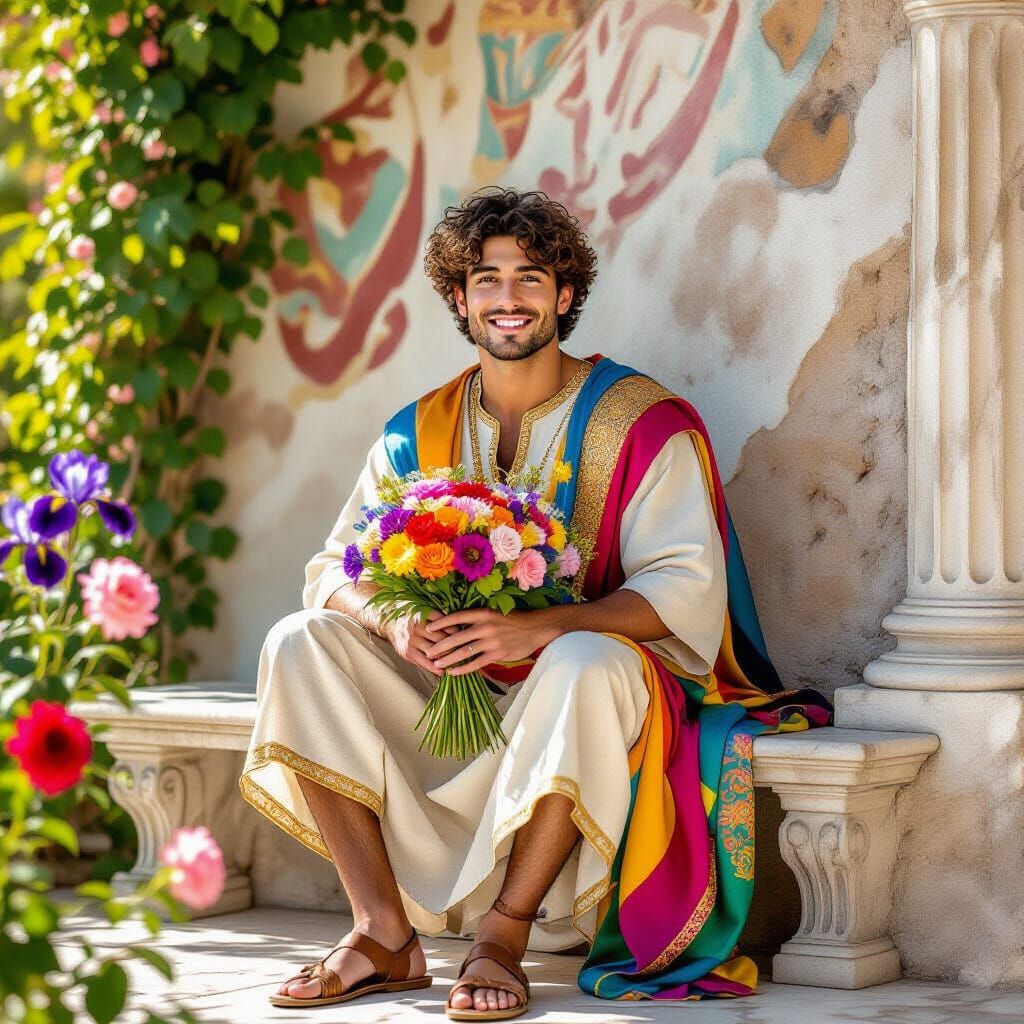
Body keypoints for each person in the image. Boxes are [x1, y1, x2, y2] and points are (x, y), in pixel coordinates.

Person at [239, 187, 831, 1019]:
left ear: (564, 294)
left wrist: (539, 627)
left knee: (582, 660)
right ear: (459, 299)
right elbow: (334, 570)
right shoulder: (416, 432)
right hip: (449, 691)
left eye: (530, 277)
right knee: (298, 640)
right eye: (486, 279)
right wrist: (395, 622)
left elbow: (682, 589)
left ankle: (502, 937)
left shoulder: (643, 423)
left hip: (589, 694)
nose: (507, 297)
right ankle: (381, 932)